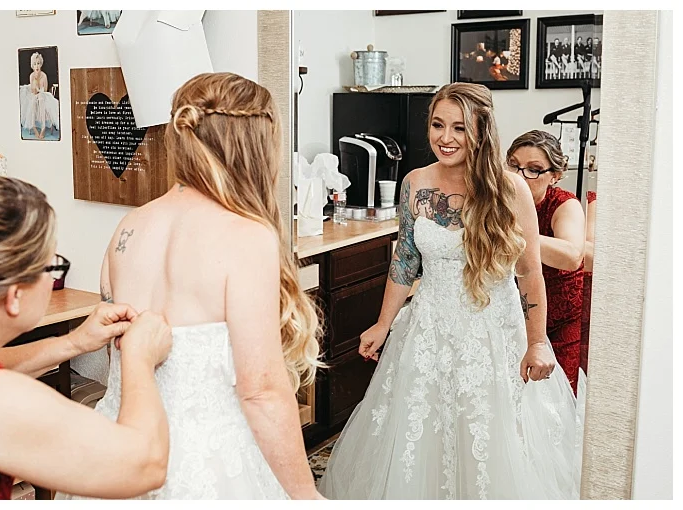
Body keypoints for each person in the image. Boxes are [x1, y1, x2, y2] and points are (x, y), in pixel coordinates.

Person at [319, 83, 581, 499]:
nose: (445, 138)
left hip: (493, 336)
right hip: (429, 333)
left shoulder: (509, 190)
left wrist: (537, 343)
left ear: (481, 130)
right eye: (438, 125)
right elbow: (405, 261)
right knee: (419, 435)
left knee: (492, 439)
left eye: (459, 128)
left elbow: (530, 273)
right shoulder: (414, 183)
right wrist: (383, 323)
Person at [72, 72, 325, 500]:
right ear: (255, 146)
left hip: (121, 448)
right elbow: (261, 390)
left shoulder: (128, 227)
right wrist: (306, 496)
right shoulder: (246, 237)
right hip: (207, 461)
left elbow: (115, 355)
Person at [0, 174, 175, 500]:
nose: (53, 280)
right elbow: (146, 466)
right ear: (15, 294)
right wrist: (139, 358)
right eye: (51, 267)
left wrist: (73, 342)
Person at [506, 130, 589, 395]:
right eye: (513, 165)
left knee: (557, 398)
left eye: (533, 170)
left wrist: (511, 235)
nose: (519, 177)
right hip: (516, 315)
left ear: (555, 175)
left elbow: (571, 256)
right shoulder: (499, 200)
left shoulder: (564, 205)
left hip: (561, 318)